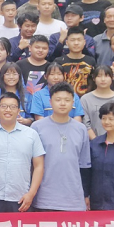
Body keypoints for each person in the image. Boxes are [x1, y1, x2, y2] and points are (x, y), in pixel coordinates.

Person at [0, 92, 45, 212]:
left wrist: (31, 194)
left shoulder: (31, 134)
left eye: (13, 107)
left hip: (21, 197)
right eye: (4, 106)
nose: (8, 110)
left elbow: (39, 166)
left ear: (18, 111)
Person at [30, 82, 91, 212]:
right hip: (44, 199)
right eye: (58, 100)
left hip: (73, 199)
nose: (62, 103)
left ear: (73, 103)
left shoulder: (81, 129)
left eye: (67, 100)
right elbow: (31, 165)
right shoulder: (37, 127)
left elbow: (84, 165)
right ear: (50, 102)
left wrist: (85, 194)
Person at [81, 65, 114, 139]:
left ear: (112, 77)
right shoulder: (85, 99)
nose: (103, 79)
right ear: (94, 78)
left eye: (106, 76)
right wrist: (97, 142)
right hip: (93, 142)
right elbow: (86, 124)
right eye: (99, 76)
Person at [55, 27, 97, 96]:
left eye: (79, 40)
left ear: (84, 42)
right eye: (72, 40)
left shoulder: (91, 61)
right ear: (67, 43)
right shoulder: (59, 61)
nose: (76, 43)